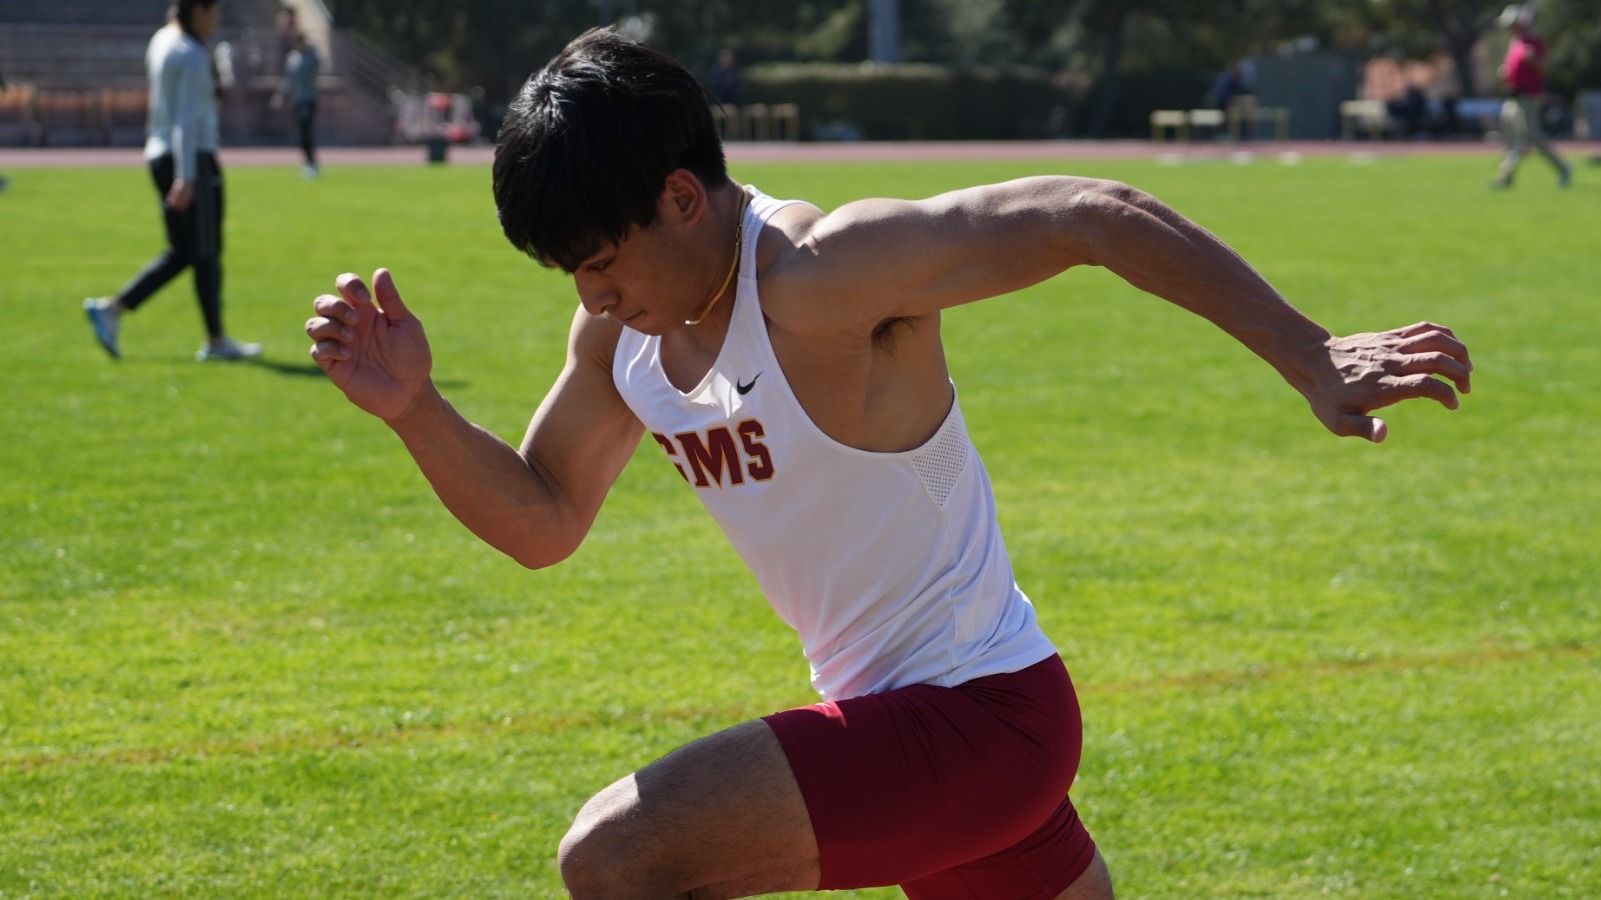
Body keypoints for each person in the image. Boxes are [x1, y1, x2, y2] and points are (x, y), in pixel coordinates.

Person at [305, 28, 1472, 900]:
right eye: (572, 275)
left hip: (978, 716)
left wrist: (1309, 352)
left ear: (679, 196)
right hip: (915, 737)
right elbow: (544, 518)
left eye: (603, 260)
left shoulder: (820, 278)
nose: (593, 296)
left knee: (612, 855)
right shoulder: (623, 339)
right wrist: (414, 410)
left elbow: (1088, 211)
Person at [85, 0, 261, 362]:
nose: (217, 19)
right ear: (198, 10)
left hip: (158, 153)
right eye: (214, 11)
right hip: (191, 157)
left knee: (184, 252)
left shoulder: (162, 39)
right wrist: (187, 176)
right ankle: (215, 340)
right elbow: (185, 119)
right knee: (206, 252)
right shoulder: (191, 53)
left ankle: (112, 309)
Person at [1491, 4, 1572, 189]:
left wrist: (1533, 59)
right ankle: (1506, 175)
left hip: (1530, 96)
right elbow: (1513, 69)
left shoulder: (1533, 41)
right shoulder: (1515, 43)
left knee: (1532, 135)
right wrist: (1505, 72)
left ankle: (1563, 168)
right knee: (1512, 135)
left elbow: (1544, 68)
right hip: (1514, 96)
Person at [272, 29, 320, 178]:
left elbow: (318, 64)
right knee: (301, 134)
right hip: (298, 100)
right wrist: (280, 95)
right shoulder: (293, 59)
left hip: (309, 99)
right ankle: (308, 162)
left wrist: (311, 48)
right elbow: (288, 80)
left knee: (307, 132)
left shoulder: (311, 57)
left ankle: (312, 163)